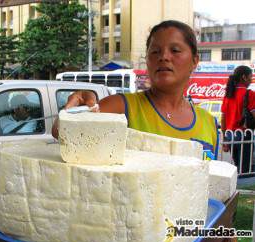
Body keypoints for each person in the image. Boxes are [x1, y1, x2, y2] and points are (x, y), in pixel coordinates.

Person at [52, 20, 218, 160]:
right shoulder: (121, 107)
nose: (164, 57)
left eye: (175, 50)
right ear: (147, 60)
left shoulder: (208, 122)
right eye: (155, 51)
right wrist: (75, 107)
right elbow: (60, 131)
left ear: (195, 61)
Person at [221, 65, 255, 174]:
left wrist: (225, 137)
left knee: (237, 165)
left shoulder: (228, 95)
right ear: (244, 77)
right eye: (250, 77)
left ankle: (236, 187)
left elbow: (223, 118)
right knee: (245, 169)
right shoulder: (249, 94)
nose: (251, 80)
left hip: (230, 135)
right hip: (245, 134)